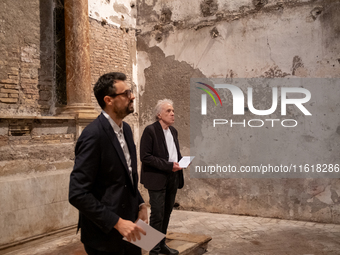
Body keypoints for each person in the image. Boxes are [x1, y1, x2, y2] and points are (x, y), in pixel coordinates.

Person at [69, 72, 148, 255]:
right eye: (126, 93)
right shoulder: (93, 135)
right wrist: (117, 222)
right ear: (108, 100)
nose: (133, 96)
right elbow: (77, 193)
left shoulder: (126, 129)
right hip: (104, 237)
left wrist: (141, 204)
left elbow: (126, 177)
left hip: (130, 230)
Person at [140, 99, 184, 255]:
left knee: (166, 212)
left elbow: (173, 154)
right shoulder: (150, 130)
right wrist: (168, 165)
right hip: (156, 178)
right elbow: (145, 157)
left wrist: (181, 162)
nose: (172, 114)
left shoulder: (173, 131)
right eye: (168, 111)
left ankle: (162, 245)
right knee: (157, 213)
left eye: (173, 111)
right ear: (159, 114)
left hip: (173, 177)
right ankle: (153, 250)